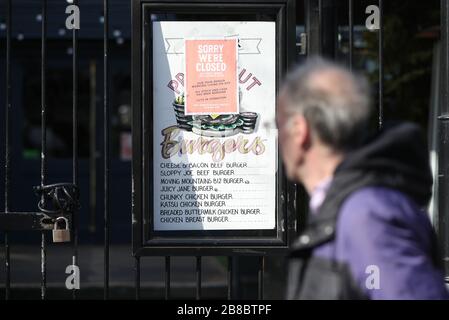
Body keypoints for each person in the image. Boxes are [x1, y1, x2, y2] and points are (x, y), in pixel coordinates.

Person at [276, 57, 449, 300]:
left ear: (300, 130)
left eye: (277, 125)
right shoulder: (347, 207)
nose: (275, 138)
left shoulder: (366, 215)